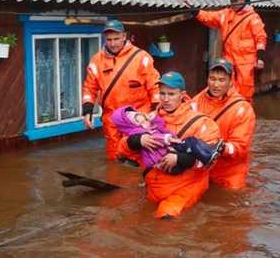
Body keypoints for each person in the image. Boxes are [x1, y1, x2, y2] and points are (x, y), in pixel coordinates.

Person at [119, 71, 221, 219]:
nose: (165, 99)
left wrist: (179, 159)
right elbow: (122, 152)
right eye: (162, 94)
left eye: (171, 94)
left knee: (165, 218)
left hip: (185, 187)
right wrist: (137, 141)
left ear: (182, 95)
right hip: (154, 186)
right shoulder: (150, 118)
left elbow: (210, 161)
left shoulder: (201, 123)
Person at [82, 20, 160, 161]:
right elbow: (89, 87)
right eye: (109, 39)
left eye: (116, 38)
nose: (112, 43)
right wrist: (87, 111)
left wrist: (156, 109)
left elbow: (154, 85)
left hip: (138, 118)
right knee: (114, 158)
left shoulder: (141, 57)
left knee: (139, 157)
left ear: (124, 36)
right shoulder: (96, 60)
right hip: (111, 118)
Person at [186, 0, 267, 101]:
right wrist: (195, 11)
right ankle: (227, 110)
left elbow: (261, 38)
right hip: (229, 58)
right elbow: (209, 17)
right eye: (231, 1)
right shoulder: (225, 14)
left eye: (235, 1)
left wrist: (260, 58)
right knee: (226, 87)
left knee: (245, 90)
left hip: (246, 61)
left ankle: (244, 112)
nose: (233, 3)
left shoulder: (253, 18)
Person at [191, 58, 256, 190]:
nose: (216, 84)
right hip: (201, 168)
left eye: (221, 80)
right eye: (212, 79)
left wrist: (220, 148)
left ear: (231, 81)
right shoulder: (196, 101)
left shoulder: (242, 109)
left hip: (229, 173)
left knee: (229, 204)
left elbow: (240, 147)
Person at [111, 105, 224, 173]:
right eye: (135, 117)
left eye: (137, 114)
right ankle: (208, 156)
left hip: (166, 159)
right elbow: (156, 138)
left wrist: (153, 118)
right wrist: (169, 139)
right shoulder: (139, 133)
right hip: (164, 160)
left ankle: (208, 155)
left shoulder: (148, 124)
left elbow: (160, 125)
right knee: (190, 143)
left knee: (189, 146)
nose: (139, 116)